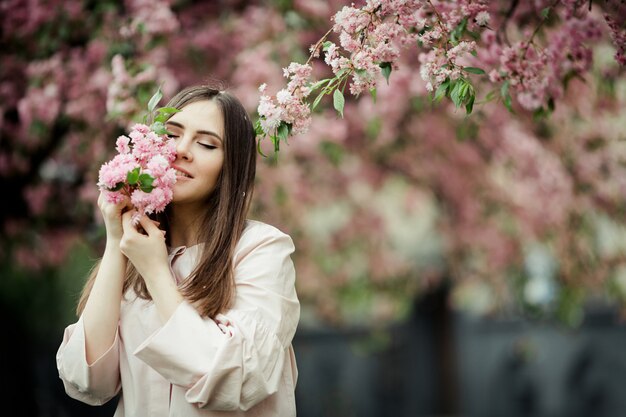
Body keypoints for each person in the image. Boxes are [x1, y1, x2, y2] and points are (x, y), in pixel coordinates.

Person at [56, 85, 300, 416]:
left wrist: (157, 272)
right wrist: (116, 243)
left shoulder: (260, 250)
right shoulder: (134, 253)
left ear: (231, 166)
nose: (181, 150)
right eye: (171, 135)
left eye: (206, 144)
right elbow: (86, 380)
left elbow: (238, 379)